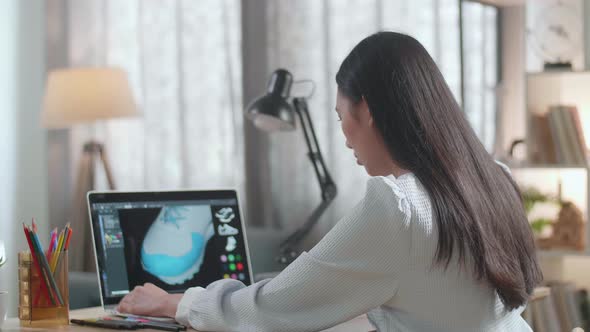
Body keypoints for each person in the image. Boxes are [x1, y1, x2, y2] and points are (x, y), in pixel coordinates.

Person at [117, 31, 542, 331]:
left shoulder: (399, 207)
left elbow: (275, 308)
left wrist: (176, 302)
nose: (343, 137)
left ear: (368, 111)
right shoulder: (497, 181)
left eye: (342, 118)